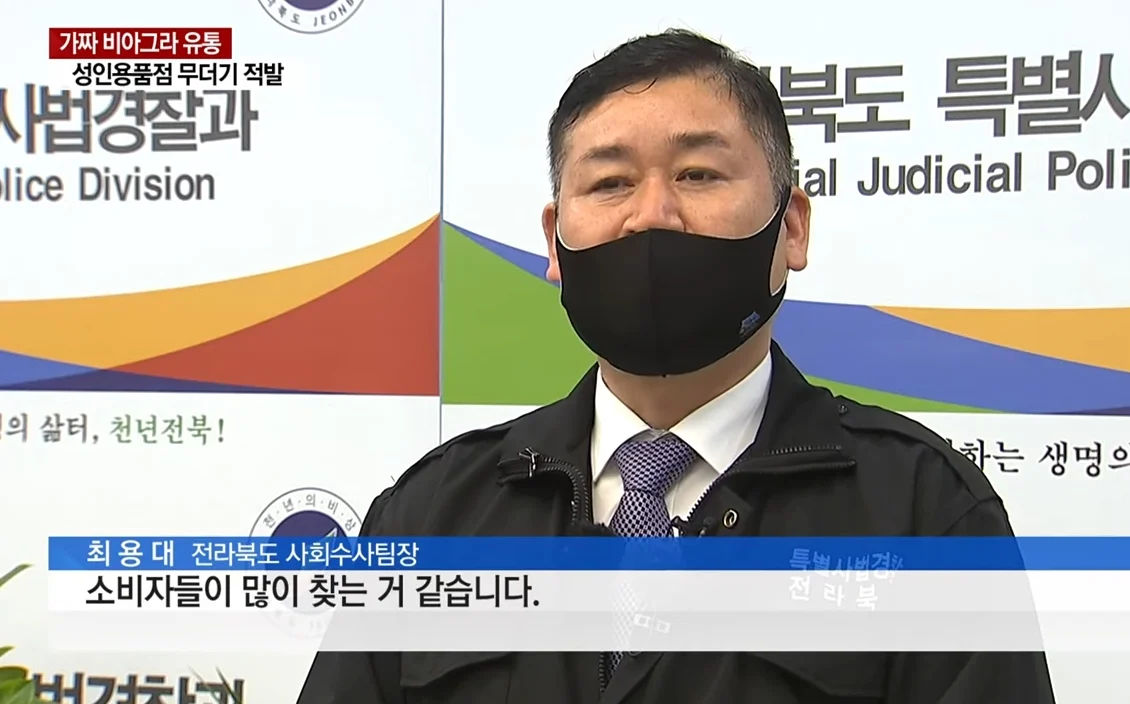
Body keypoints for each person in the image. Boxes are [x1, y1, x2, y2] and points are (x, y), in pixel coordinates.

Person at [297, 28, 1056, 704]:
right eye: (610, 183)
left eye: (697, 174)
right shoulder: (434, 516)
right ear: (556, 242)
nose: (652, 215)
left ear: (791, 228)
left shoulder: (923, 514)